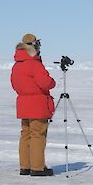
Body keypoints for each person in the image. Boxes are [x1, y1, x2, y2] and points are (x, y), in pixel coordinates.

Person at [11, 34, 56, 176]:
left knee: (26, 134)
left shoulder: (17, 64)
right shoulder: (34, 64)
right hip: (38, 104)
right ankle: (37, 167)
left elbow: (14, 84)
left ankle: (25, 166)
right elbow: (45, 83)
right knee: (38, 134)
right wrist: (52, 82)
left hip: (23, 103)